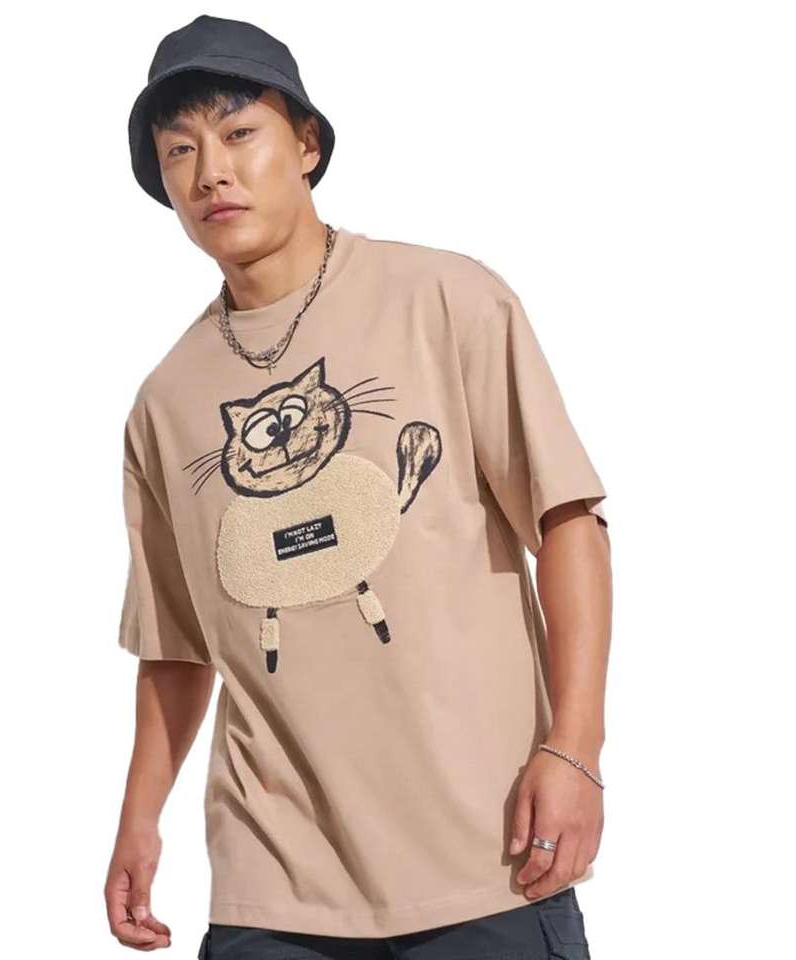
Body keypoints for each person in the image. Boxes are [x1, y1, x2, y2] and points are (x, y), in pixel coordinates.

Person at [104, 14, 611, 960]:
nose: (211, 172)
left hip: (486, 850)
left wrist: (575, 747)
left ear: (307, 145)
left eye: (239, 132)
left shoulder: (446, 298)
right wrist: (139, 819)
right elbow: (176, 643)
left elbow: (568, 522)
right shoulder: (165, 404)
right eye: (180, 150)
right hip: (272, 882)